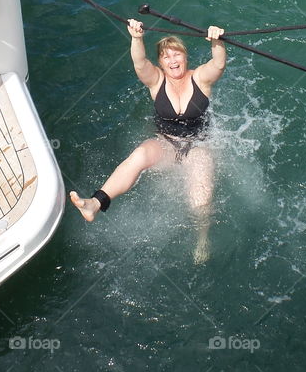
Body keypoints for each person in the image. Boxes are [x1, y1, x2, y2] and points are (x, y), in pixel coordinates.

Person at [71, 19, 227, 263]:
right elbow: (140, 62)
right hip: (165, 143)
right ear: (161, 63)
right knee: (139, 155)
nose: (173, 60)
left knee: (200, 199)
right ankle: (94, 203)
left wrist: (217, 41)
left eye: (177, 55)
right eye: (166, 57)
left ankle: (202, 238)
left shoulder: (200, 79)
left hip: (197, 146)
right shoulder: (156, 81)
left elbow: (218, 63)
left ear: (186, 58)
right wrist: (136, 37)